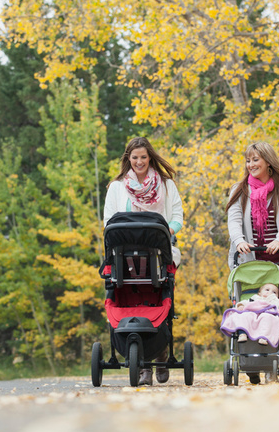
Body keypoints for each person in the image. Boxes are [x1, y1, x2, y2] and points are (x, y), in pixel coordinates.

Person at [103, 136, 183, 386]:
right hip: (124, 252)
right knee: (123, 288)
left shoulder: (166, 185)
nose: (139, 162)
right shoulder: (117, 187)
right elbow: (109, 221)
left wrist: (165, 232)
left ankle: (160, 352)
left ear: (150, 158)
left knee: (159, 289)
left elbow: (178, 217)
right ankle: (141, 364)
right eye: (134, 157)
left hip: (158, 249)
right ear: (128, 159)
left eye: (143, 157)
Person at [226, 142, 279, 285]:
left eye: (255, 160)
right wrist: (239, 240)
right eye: (248, 161)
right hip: (249, 261)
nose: (251, 165)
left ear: (268, 162)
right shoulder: (239, 190)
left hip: (277, 261)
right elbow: (234, 220)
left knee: (273, 302)